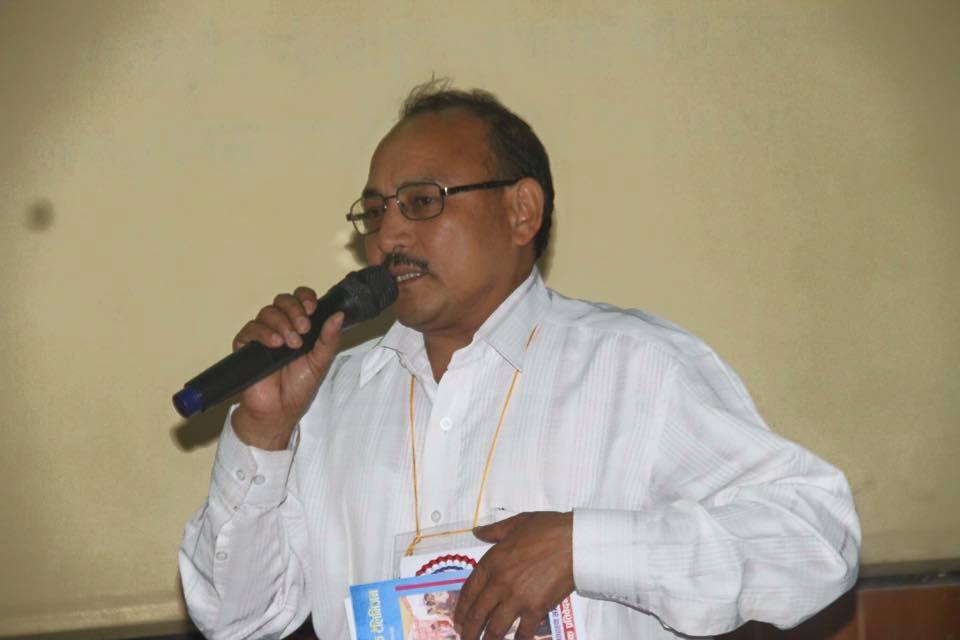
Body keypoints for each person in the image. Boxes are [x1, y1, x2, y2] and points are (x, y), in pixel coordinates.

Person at [179, 81, 860, 640]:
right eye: (377, 211)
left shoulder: (638, 367)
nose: (388, 234)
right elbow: (238, 620)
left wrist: (585, 549)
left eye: (422, 202)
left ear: (521, 211)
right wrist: (262, 432)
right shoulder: (329, 402)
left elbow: (814, 542)